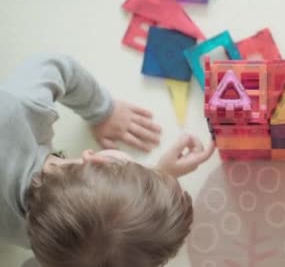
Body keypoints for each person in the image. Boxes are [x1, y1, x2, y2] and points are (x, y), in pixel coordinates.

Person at [0, 54, 215, 267]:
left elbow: (56, 66)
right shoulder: (56, 251)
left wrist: (102, 110)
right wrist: (161, 173)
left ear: (95, 160)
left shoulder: (19, 112)